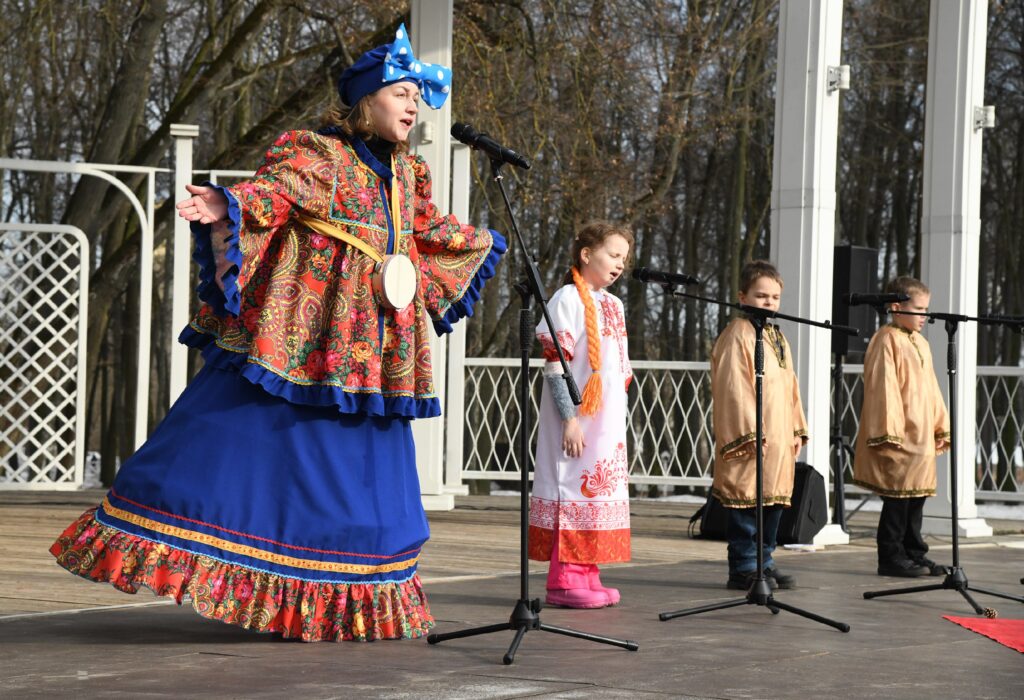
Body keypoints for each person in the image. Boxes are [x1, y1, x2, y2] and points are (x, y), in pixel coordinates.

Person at [49, 24, 506, 642]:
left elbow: (425, 229)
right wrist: (228, 205)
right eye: (401, 93)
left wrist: (483, 244)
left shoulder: (408, 174)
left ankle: (341, 593)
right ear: (366, 98)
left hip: (374, 343)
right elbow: (277, 191)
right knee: (251, 436)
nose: (413, 105)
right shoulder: (319, 153)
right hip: (315, 333)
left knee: (363, 469)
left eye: (416, 98)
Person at [527, 221, 634, 608]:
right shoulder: (567, 298)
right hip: (575, 420)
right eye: (613, 254)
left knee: (597, 492)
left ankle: (588, 572)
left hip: (605, 425)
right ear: (587, 254)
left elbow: (617, 370)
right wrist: (569, 418)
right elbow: (556, 363)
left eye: (624, 257)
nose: (620, 263)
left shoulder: (614, 305)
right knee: (572, 487)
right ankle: (563, 579)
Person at [710, 260, 807, 591]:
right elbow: (733, 389)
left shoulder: (776, 336)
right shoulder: (737, 334)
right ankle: (743, 566)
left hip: (778, 439)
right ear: (742, 296)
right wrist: (747, 433)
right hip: (753, 437)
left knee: (772, 505)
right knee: (747, 505)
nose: (769, 303)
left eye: (775, 297)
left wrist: (796, 429)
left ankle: (765, 562)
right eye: (761, 295)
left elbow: (791, 388)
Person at [852, 276, 950, 578]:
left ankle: (914, 553)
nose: (924, 317)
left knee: (915, 499)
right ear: (896, 306)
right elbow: (885, 388)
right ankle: (891, 556)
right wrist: (889, 431)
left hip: (920, 436)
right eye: (919, 309)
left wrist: (939, 426)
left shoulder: (919, 341)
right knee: (897, 499)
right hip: (901, 435)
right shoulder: (886, 339)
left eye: (926, 310)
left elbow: (932, 388)